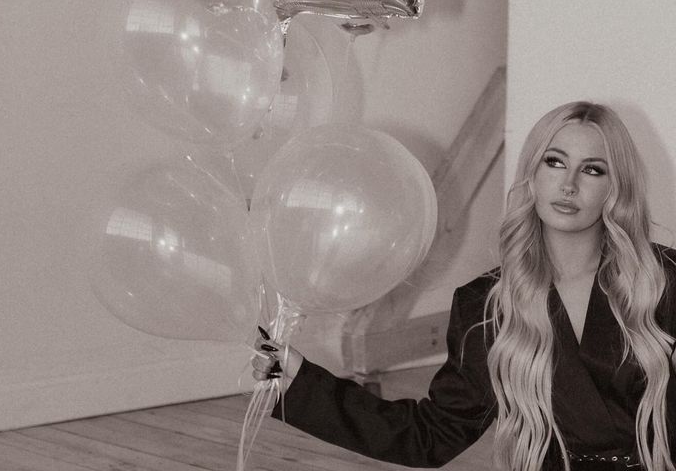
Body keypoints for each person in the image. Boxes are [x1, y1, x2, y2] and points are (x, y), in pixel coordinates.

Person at [252, 101, 676, 470]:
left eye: (593, 169)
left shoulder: (664, 281)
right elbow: (431, 436)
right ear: (532, 173)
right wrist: (301, 382)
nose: (569, 185)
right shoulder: (486, 306)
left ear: (615, 188)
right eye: (555, 161)